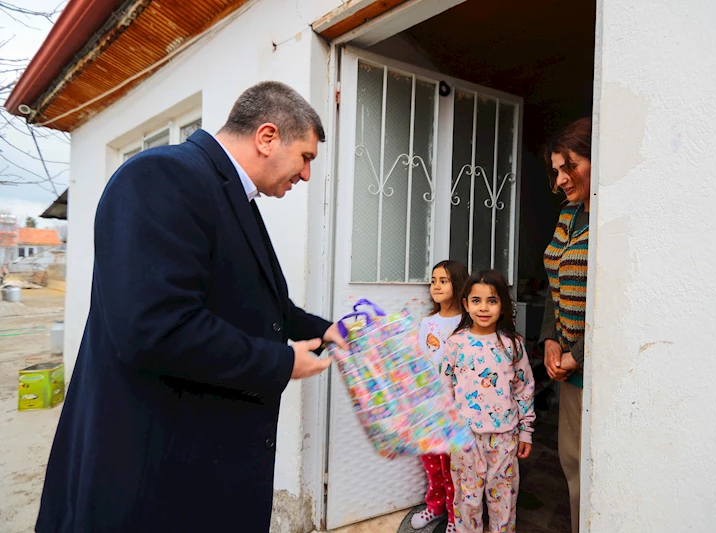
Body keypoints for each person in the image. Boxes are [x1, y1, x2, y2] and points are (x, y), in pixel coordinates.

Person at [35, 81, 347, 533]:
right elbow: (156, 327)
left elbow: (258, 301)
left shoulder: (231, 195)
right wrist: (279, 362)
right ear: (266, 137)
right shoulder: (162, 175)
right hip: (155, 472)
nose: (305, 176)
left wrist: (328, 329)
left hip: (203, 465)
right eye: (306, 157)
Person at [442, 270, 535, 533]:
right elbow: (444, 388)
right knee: (467, 501)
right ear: (466, 304)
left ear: (503, 305)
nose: (483, 308)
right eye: (476, 300)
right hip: (464, 438)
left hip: (504, 439)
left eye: (492, 301)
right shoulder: (456, 343)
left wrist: (526, 431)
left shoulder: (512, 344)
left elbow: (524, 388)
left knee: (503, 502)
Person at [539, 117, 592, 533]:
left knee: (595, 479)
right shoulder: (568, 215)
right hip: (569, 372)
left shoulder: (610, 222)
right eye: (555, 170)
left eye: (567, 167)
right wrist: (550, 343)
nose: (559, 180)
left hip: (595, 372)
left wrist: (577, 355)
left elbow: (617, 307)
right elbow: (553, 284)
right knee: (572, 467)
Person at [411, 260, 469, 533]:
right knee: (432, 463)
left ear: (457, 284)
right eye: (433, 280)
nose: (435, 285)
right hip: (428, 405)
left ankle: (456, 517)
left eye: (443, 280)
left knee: (452, 467)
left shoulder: (466, 324)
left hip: (454, 406)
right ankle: (435, 506)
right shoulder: (428, 322)